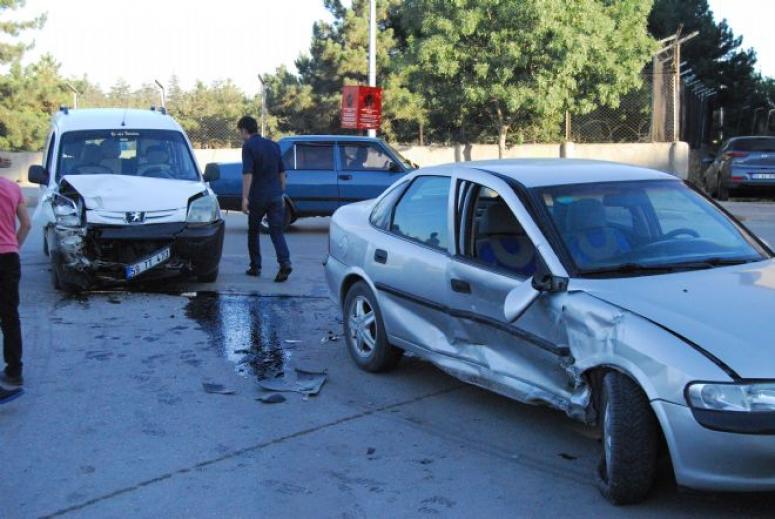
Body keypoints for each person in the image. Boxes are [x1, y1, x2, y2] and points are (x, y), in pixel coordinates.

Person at [238, 116, 292, 282]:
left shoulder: (248, 146)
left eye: (240, 131)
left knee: (253, 231)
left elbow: (248, 173)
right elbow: (281, 172)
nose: (240, 134)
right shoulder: (274, 145)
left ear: (244, 130)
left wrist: (245, 198)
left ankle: (255, 267)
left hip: (258, 197)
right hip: (275, 195)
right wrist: (281, 192)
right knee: (277, 231)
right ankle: (285, 263)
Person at [0, 155, 31, 389]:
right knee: (10, 315)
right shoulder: (12, 188)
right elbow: (26, 224)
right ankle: (14, 371)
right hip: (8, 258)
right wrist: (14, 246)